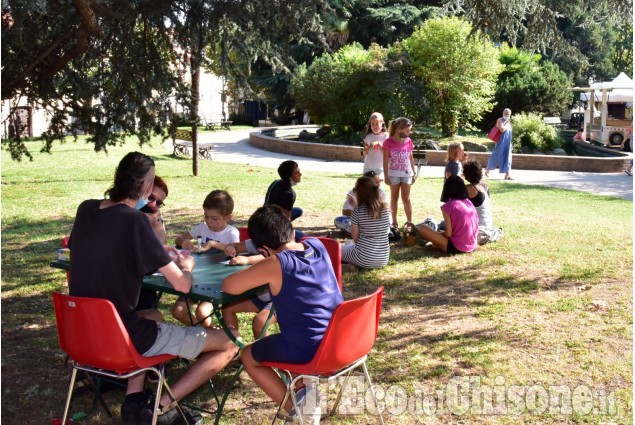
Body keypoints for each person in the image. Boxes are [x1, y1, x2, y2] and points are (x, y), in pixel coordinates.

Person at [68, 152, 237, 425]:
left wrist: (155, 251)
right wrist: (187, 266)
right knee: (229, 343)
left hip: (83, 331)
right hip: (123, 336)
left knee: (155, 316)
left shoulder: (86, 208)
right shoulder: (133, 220)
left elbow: (104, 250)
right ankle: (159, 407)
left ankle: (134, 402)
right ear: (147, 186)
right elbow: (182, 283)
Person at [222, 205, 343, 425]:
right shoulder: (317, 245)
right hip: (341, 340)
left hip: (310, 347)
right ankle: (304, 394)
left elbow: (229, 286)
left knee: (249, 356)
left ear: (264, 251)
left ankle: (299, 412)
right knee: (286, 340)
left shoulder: (277, 263)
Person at [173, 190, 240, 327]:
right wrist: (184, 242)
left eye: (214, 218)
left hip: (217, 282)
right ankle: (209, 336)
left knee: (202, 312)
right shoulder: (202, 227)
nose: (209, 222)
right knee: (178, 311)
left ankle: (213, 339)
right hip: (197, 278)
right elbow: (179, 238)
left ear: (227, 217)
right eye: (206, 216)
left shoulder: (231, 232)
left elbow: (235, 250)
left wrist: (212, 244)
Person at [416, 175, 478, 255]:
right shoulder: (469, 202)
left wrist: (440, 234)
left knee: (423, 228)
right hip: (472, 245)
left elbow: (448, 233)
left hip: (457, 247)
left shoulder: (448, 206)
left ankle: (435, 242)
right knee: (440, 232)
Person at [341, 175, 391, 269]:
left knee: (339, 249)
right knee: (349, 246)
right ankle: (353, 265)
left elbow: (355, 238)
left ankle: (350, 266)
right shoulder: (385, 209)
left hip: (364, 257)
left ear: (359, 192)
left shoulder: (358, 211)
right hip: (383, 259)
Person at [136, 175, 170, 311]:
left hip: (143, 281)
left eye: (159, 202)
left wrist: (156, 223)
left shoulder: (152, 215)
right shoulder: (125, 213)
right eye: (151, 197)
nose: (153, 204)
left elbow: (160, 246)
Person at [383, 117, 416, 234]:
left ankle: (409, 223)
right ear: (398, 129)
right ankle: (394, 222)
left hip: (407, 173)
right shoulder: (388, 142)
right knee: (394, 198)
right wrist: (386, 176)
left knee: (406, 198)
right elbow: (385, 161)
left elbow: (410, 157)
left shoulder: (408, 141)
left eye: (409, 131)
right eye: (407, 131)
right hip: (393, 174)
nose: (408, 133)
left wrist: (414, 171)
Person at [462, 160, 503, 245]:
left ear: (466, 175)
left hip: (480, 228)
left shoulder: (468, 188)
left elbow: (450, 200)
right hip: (487, 226)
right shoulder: (484, 186)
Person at [334, 170, 386, 236]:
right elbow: (345, 212)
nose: (379, 184)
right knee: (339, 220)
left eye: (379, 181)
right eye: (376, 182)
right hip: (359, 222)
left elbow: (379, 213)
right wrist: (360, 213)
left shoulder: (381, 193)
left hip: (373, 221)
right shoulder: (354, 193)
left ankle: (356, 232)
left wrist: (356, 208)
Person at [264, 160, 306, 240]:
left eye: (299, 171)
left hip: (265, 216)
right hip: (273, 226)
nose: (300, 174)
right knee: (306, 238)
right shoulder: (289, 193)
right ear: (289, 177)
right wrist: (290, 234)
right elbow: (287, 219)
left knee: (298, 211)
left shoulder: (276, 182)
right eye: (296, 173)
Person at [485, 108, 514, 180]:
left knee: (508, 157)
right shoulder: (500, 120)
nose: (507, 115)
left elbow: (509, 133)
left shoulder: (508, 122)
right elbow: (502, 129)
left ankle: (507, 175)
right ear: (503, 113)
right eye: (506, 114)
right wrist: (506, 123)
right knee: (496, 155)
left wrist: (511, 143)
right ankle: (487, 169)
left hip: (507, 142)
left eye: (508, 114)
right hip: (500, 142)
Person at [362, 112, 389, 176]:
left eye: (377, 124)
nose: (374, 126)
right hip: (367, 167)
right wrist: (365, 151)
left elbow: (386, 153)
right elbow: (365, 154)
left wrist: (378, 143)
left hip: (380, 168)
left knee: (377, 185)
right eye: (372, 124)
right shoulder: (368, 136)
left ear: (382, 123)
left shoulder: (386, 136)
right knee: (366, 185)